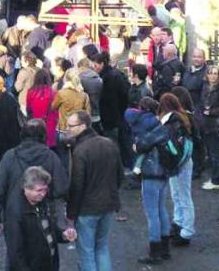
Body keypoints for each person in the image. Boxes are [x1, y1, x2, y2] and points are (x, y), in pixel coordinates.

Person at [0, 119, 69, 270]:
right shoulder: (51, 156)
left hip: (15, 213)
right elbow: (61, 188)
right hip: (41, 213)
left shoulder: (10, 156)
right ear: (44, 135)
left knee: (15, 254)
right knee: (44, 251)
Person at [64, 110, 122, 271]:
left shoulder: (80, 150)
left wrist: (70, 214)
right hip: (108, 205)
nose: (67, 129)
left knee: (86, 252)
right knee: (102, 247)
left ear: (83, 126)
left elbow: (77, 185)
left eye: (71, 126)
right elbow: (120, 175)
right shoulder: (109, 144)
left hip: (87, 209)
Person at [132, 98, 173, 264]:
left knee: (152, 213)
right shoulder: (163, 126)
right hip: (164, 170)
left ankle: (154, 251)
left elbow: (141, 145)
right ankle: (165, 248)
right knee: (162, 209)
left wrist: (136, 145)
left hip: (150, 172)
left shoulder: (144, 125)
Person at [5, 166, 66, 271]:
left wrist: (64, 235)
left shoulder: (41, 203)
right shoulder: (16, 213)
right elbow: (15, 252)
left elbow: (50, 230)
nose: (43, 194)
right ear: (26, 188)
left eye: (45, 189)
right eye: (39, 190)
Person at [158, 92, 196, 246]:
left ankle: (185, 230)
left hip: (176, 162)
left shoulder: (169, 122)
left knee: (180, 195)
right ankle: (181, 224)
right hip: (184, 160)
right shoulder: (184, 118)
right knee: (181, 194)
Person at [91, 51, 131, 169]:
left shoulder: (107, 78)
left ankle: (116, 167)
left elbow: (108, 100)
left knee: (113, 142)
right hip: (118, 115)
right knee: (121, 141)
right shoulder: (116, 74)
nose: (94, 68)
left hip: (110, 116)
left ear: (102, 64)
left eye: (95, 65)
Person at [181, 49, 208, 178]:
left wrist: (198, 111)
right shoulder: (187, 70)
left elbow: (204, 94)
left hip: (197, 111)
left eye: (199, 57)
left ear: (204, 58)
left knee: (197, 141)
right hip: (185, 109)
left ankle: (198, 168)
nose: (196, 59)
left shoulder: (206, 73)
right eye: (195, 56)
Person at [26, 69, 59, 149]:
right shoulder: (53, 93)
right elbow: (56, 110)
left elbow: (28, 109)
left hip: (36, 124)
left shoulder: (31, 92)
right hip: (50, 123)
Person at [77, 58, 103, 132]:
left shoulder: (79, 79)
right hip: (98, 114)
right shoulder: (99, 79)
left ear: (81, 67)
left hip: (84, 115)